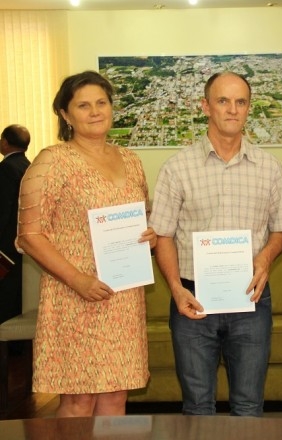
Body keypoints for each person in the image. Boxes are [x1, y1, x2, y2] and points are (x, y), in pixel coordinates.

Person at [149, 72, 282, 416]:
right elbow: (163, 234)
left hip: (250, 298)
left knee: (248, 406)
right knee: (198, 406)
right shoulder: (177, 168)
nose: (233, 109)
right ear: (206, 107)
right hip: (192, 300)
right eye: (223, 101)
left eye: (241, 102)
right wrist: (174, 288)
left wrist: (266, 257)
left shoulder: (269, 168)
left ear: (248, 109)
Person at [16, 71, 156, 417]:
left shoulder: (131, 160)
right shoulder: (52, 161)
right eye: (83, 105)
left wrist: (149, 235)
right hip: (73, 296)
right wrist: (78, 280)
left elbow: (144, 216)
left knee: (115, 397)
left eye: (101, 103)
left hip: (122, 297)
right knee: (78, 400)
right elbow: (29, 235)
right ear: (65, 115)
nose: (95, 111)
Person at [0, 124, 31, 327]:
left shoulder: (6, 168)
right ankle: (16, 349)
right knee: (19, 294)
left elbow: (3, 207)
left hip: (5, 245)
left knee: (5, 295)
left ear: (5, 142)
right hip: (24, 241)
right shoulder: (29, 166)